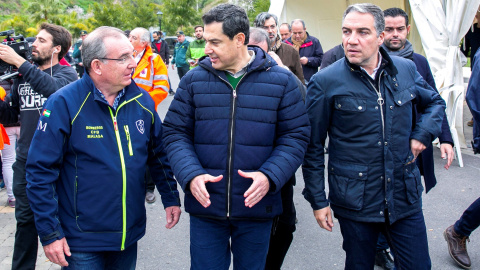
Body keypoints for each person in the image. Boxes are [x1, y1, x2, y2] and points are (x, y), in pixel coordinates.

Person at [162, 4, 310, 270]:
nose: (207, 49)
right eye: (206, 40)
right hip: (207, 206)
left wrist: (270, 176)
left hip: (257, 207)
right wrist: (191, 173)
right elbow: (175, 133)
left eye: (215, 42)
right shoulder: (194, 81)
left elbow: (296, 136)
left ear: (240, 39)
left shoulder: (281, 82)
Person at [302, 4, 446, 269]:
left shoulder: (405, 69)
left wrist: (422, 134)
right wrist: (318, 200)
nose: (351, 39)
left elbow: (436, 102)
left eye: (362, 32)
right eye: (346, 31)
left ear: (380, 37)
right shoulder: (325, 82)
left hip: (404, 195)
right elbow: (312, 146)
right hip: (355, 200)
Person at [25, 26, 181, 269]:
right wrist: (50, 233)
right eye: (123, 58)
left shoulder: (141, 100)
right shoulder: (64, 103)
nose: (133, 63)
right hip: (81, 241)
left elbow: (157, 155)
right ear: (96, 66)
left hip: (128, 237)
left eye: (132, 55)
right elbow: (39, 172)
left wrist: (171, 197)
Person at [0, 22, 78, 270]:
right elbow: (10, 115)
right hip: (26, 160)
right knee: (24, 221)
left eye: (41, 40)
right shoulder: (22, 78)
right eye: (34, 39)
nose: (33, 44)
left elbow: (54, 91)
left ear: (57, 48)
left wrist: (19, 62)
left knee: (67, 217)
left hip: (62, 161)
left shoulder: (69, 75)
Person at [129, 27, 170, 204]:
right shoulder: (124, 56)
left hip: (145, 113)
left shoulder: (154, 60)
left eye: (133, 37)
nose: (129, 39)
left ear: (143, 43)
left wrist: (143, 106)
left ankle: (149, 187)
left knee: (149, 148)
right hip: (124, 112)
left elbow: (162, 88)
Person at [254, 12, 305, 83]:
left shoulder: (291, 51)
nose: (270, 31)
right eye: (265, 27)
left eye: (272, 26)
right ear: (258, 30)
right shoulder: (252, 53)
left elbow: (301, 84)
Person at [0, 79, 19, 208]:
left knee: (8, 160)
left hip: (6, 125)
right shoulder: (26, 76)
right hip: (25, 122)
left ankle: (12, 197)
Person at [285, 19, 323, 83]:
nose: (297, 36)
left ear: (305, 29)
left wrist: (308, 60)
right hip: (290, 81)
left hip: (309, 81)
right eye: (294, 33)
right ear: (291, 31)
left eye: (300, 33)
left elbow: (321, 60)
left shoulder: (314, 42)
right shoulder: (285, 44)